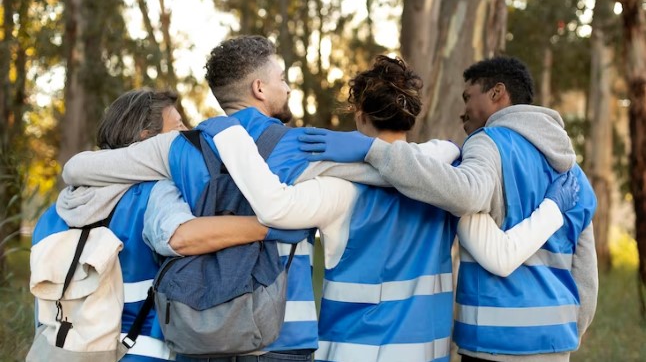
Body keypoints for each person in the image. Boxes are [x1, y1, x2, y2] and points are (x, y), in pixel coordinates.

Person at [61, 51, 578, 362]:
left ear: (358, 115)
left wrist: (232, 140)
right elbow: (478, 224)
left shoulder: (335, 185)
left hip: (347, 348)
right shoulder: (447, 165)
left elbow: (274, 205)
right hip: (430, 349)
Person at [298, 56, 598, 362]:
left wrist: (368, 153)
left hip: (492, 341)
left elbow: (466, 193)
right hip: (556, 342)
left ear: (497, 93)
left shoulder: (487, 145)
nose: (463, 110)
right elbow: (587, 273)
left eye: (469, 97)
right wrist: (569, 330)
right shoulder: (573, 173)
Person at [32, 88, 305, 362]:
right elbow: (180, 237)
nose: (187, 135)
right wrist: (270, 226)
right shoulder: (154, 193)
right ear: (146, 138)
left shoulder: (55, 212)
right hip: (141, 351)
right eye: (178, 128)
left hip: (63, 352)